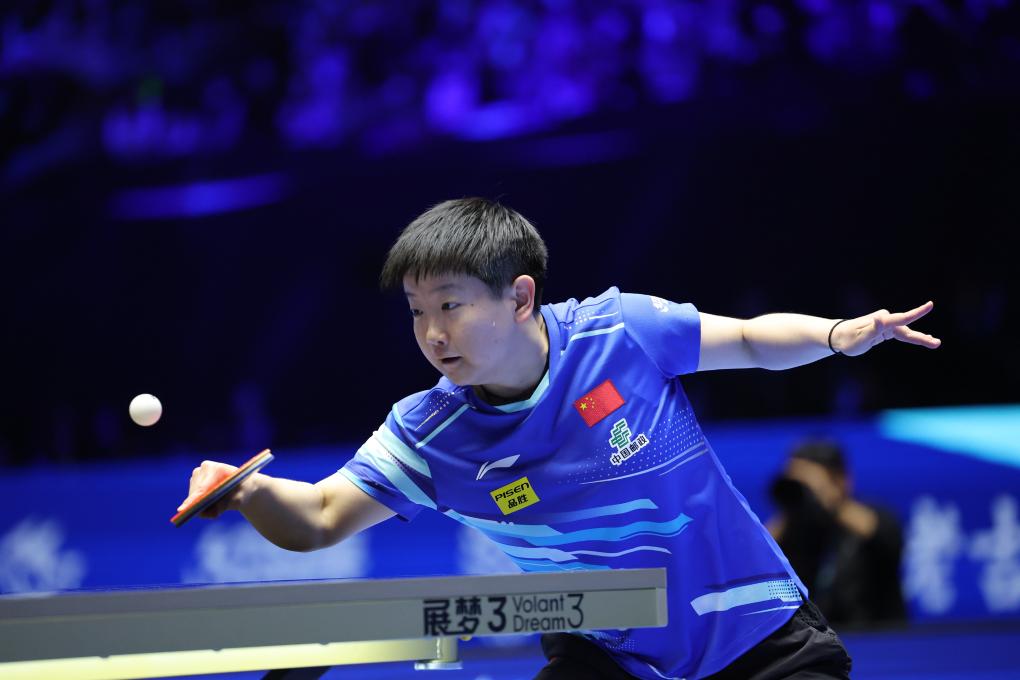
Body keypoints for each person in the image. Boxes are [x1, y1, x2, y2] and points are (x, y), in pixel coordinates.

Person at [179, 198, 940, 679]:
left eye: (450, 305)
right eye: (416, 312)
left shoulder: (620, 333)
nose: (433, 333)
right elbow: (318, 518)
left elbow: (744, 339)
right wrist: (247, 490)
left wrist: (837, 336)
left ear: (519, 296)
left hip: (758, 636)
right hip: (606, 657)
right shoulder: (430, 433)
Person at [767, 439, 907, 627]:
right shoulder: (795, 528)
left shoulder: (871, 519)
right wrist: (792, 504)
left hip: (876, 637)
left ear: (842, 480)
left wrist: (827, 495)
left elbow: (886, 537)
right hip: (817, 639)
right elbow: (757, 558)